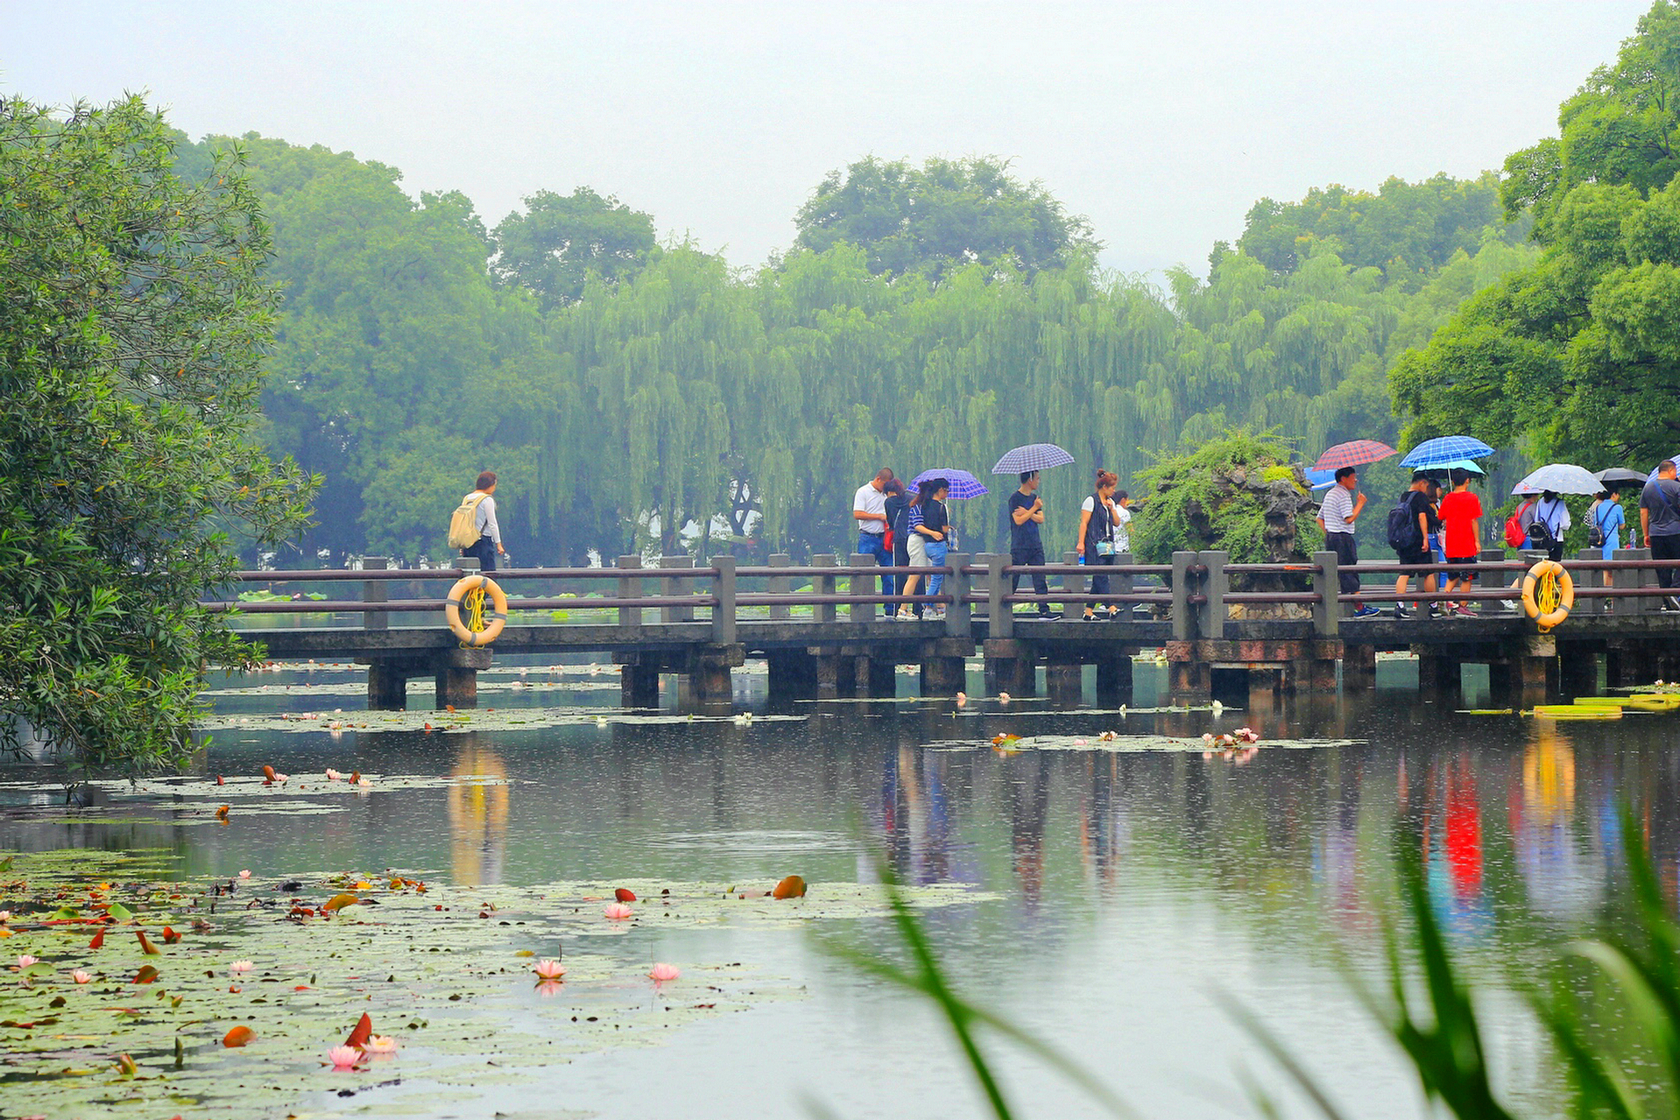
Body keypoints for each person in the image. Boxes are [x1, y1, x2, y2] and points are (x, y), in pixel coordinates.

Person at [1316, 466, 1378, 618]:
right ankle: (1359, 607)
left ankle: (1346, 606)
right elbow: (1348, 518)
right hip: (1343, 537)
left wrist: (1330, 531)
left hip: (1331, 537)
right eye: (1353, 477)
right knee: (1349, 570)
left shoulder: (1330, 493)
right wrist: (1361, 503)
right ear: (1343, 479)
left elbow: (1319, 518)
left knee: (1338, 571)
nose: (1356, 480)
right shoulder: (1343, 495)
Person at [1008, 471, 1057, 619]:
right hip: (1020, 544)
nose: (1038, 481)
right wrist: (1033, 509)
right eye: (1037, 478)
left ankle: (1044, 609)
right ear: (1029, 479)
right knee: (1013, 578)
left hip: (1035, 544)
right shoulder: (1015, 498)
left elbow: (1041, 519)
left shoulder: (1035, 498)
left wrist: (1029, 512)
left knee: (1040, 578)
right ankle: (1004, 608)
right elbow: (1018, 521)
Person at [898, 479, 949, 620]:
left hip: (924, 540)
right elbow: (917, 526)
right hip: (918, 540)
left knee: (931, 575)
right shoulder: (919, 507)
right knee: (915, 574)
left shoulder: (922, 506)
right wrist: (933, 532)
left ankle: (940, 606)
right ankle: (903, 609)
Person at [1077, 470, 1122, 621]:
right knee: (1101, 575)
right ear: (1104, 486)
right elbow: (1084, 523)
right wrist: (1081, 542)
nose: (1113, 491)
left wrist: (1112, 508)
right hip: (1094, 544)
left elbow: (1116, 522)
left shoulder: (1110, 502)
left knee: (1099, 578)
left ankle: (1088, 611)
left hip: (1108, 544)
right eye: (1111, 487)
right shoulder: (1091, 500)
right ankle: (1111, 607)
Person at [1438, 467, 1483, 616]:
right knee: (1467, 576)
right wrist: (1477, 541)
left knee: (1453, 575)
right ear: (1467, 480)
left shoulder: (1448, 498)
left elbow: (1441, 516)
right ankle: (1462, 606)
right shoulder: (1472, 498)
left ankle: (1444, 599)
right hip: (1466, 544)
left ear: (1452, 481)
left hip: (1451, 544)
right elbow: (1473, 521)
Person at [1392, 472, 1437, 619]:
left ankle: (1400, 605)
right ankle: (1433, 606)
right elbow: (1422, 517)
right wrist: (1425, 539)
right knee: (1428, 572)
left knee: (1404, 573)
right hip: (1417, 539)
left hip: (1404, 541)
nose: (1426, 489)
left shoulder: (1403, 496)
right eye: (1426, 485)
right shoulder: (1420, 497)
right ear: (1422, 483)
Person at [853, 468, 894, 614]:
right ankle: (863, 610)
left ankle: (890, 609)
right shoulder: (863, 492)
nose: (886, 488)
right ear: (878, 480)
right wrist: (879, 516)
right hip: (867, 537)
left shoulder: (887, 494)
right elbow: (857, 514)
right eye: (885, 485)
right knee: (864, 575)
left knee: (889, 575)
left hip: (884, 538)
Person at [1640, 460, 1680, 610]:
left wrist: (1646, 534)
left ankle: (1667, 603)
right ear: (1671, 471)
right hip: (1676, 531)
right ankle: (1674, 592)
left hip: (1656, 533)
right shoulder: (1677, 487)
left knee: (1662, 567)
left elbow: (1644, 513)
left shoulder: (1648, 488)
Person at [919, 479, 952, 621]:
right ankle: (927, 607)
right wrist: (948, 523)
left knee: (934, 577)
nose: (947, 493)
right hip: (939, 545)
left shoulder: (924, 505)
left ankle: (938, 607)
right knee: (937, 578)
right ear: (940, 491)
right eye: (946, 490)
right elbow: (944, 529)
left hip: (928, 545)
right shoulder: (941, 507)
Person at [460, 470, 506, 571]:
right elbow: (492, 523)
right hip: (483, 541)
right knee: (488, 574)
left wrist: (462, 544)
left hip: (468, 542)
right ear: (490, 485)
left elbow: (463, 522)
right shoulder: (487, 499)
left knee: (470, 575)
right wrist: (498, 544)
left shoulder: (467, 498)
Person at [1589, 489, 1627, 604]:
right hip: (1612, 541)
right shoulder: (1617, 508)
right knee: (1611, 570)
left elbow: (1595, 523)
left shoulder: (1597, 507)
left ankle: (1606, 598)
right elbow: (1622, 525)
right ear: (1613, 494)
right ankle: (1610, 598)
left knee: (1604, 570)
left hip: (1600, 541)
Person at [1528, 489, 1571, 562]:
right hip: (1556, 539)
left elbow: (1537, 520)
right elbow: (1566, 524)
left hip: (1541, 539)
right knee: (1555, 567)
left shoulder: (1540, 502)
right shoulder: (1560, 503)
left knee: (1543, 567)